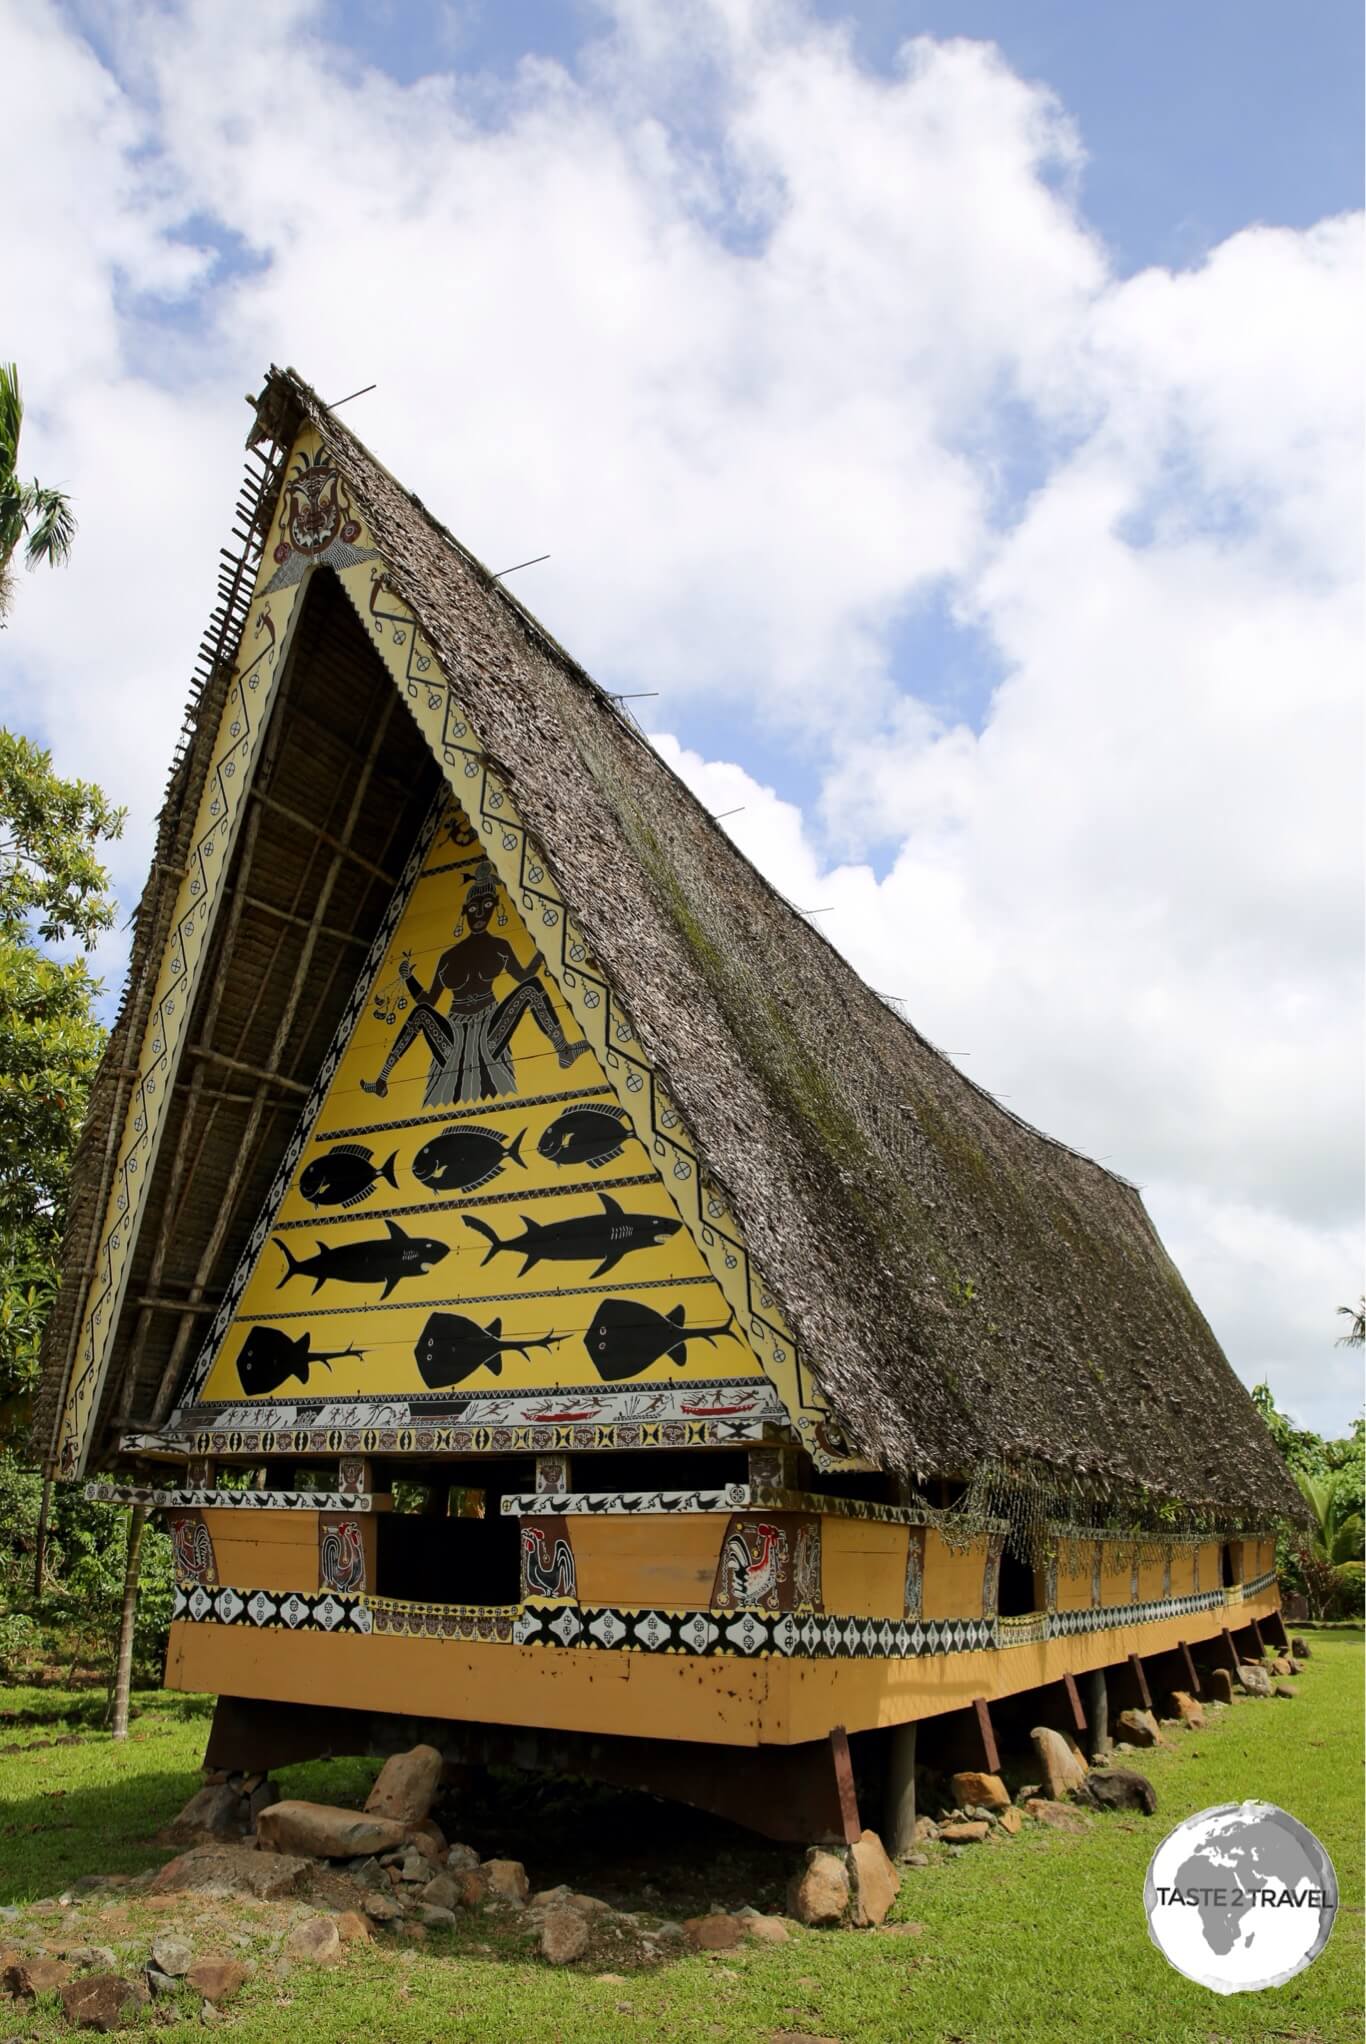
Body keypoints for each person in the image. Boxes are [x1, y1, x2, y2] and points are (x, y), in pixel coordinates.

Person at [360, 859, 588, 1106]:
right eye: (473, 908)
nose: (479, 913)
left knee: (532, 988)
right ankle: (382, 1079)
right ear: (464, 911)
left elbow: (525, 977)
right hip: (453, 1038)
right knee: (421, 1011)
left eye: (487, 905)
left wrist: (540, 952)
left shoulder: (500, 947)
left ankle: (563, 1050)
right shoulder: (447, 957)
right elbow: (429, 1000)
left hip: (490, 1030)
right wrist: (408, 979)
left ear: (496, 908)